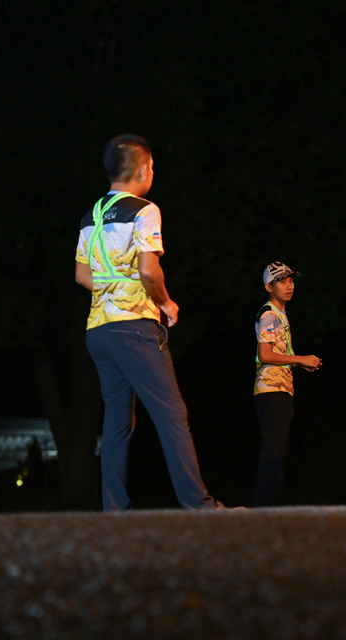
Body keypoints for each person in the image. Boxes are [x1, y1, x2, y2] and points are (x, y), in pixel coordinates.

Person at [74, 134, 226, 511]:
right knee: (171, 414)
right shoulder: (144, 210)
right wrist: (166, 303)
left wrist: (112, 288)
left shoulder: (91, 216)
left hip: (99, 329)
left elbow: (81, 275)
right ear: (143, 170)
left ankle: (115, 512)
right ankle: (199, 507)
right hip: (135, 328)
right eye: (153, 167)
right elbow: (148, 270)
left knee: (117, 423)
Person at [253, 261, 322, 506]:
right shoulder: (270, 314)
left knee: (278, 449)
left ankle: (272, 507)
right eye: (282, 282)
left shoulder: (279, 314)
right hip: (271, 390)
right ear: (268, 287)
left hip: (280, 389)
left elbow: (278, 352)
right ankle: (264, 508)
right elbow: (265, 355)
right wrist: (300, 359)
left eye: (291, 281)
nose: (289, 286)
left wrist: (298, 363)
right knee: (274, 451)